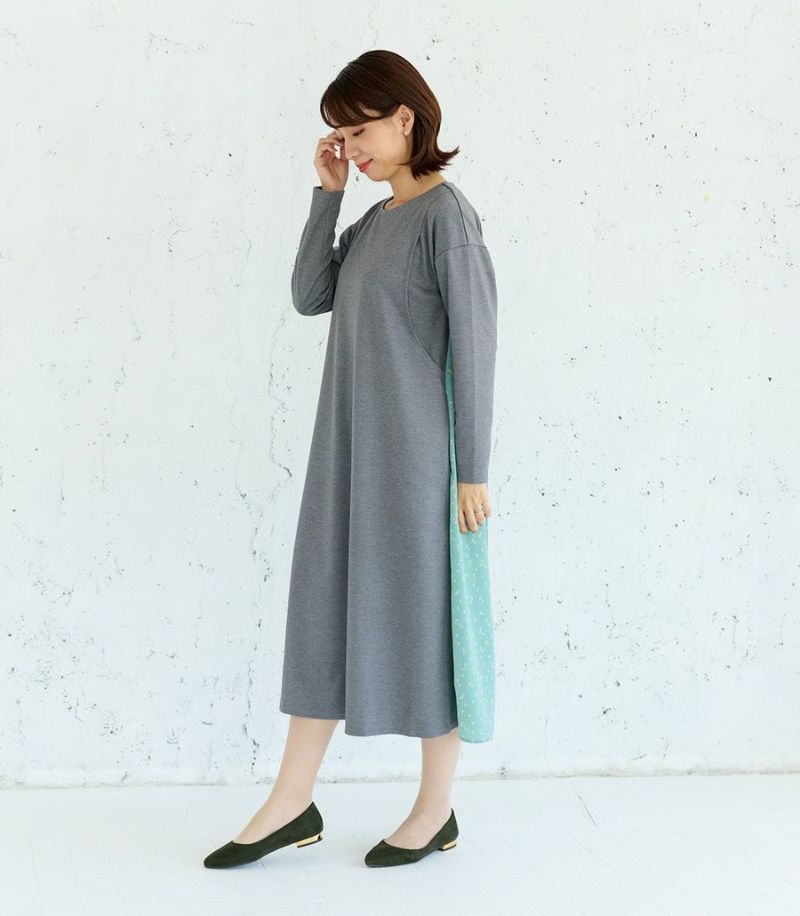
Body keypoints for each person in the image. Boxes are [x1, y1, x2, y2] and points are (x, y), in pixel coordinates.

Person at [204, 49, 498, 871]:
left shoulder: (447, 219)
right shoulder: (374, 221)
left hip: (418, 467)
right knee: (323, 611)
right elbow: (310, 295)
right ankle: (292, 799)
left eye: (360, 131)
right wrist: (328, 195)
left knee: (427, 623)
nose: (352, 147)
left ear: (406, 118)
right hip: (346, 454)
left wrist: (471, 471)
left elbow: (477, 349)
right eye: (341, 133)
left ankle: (435, 810)